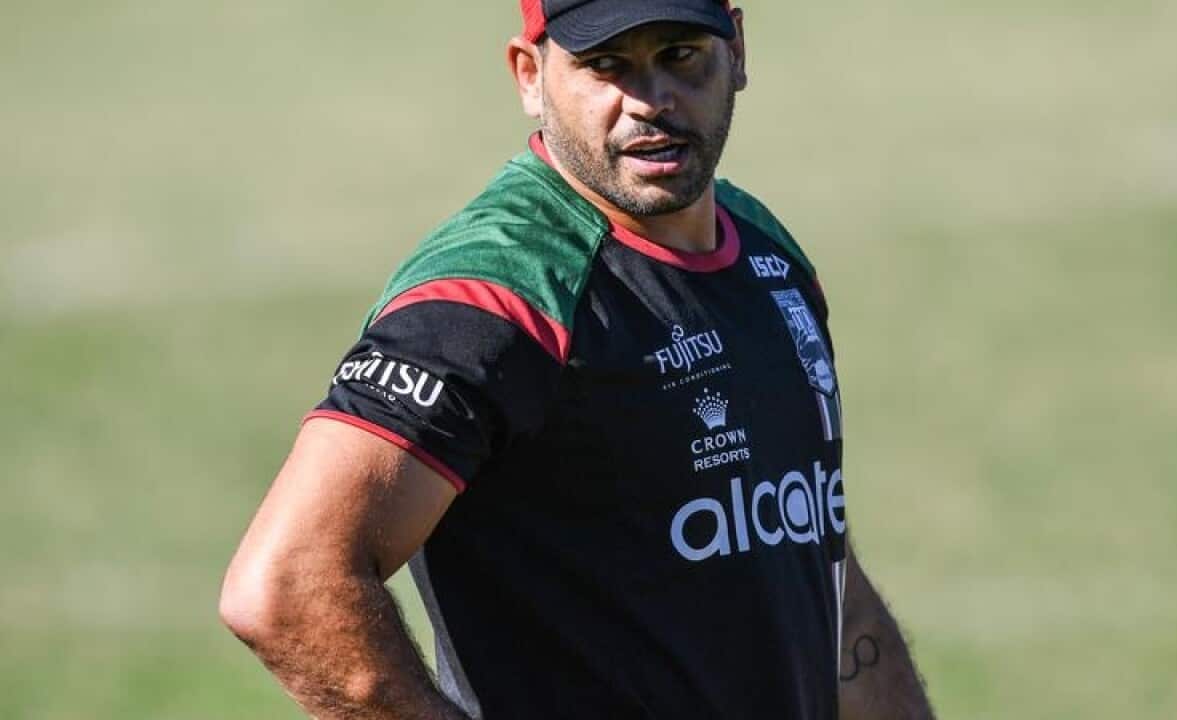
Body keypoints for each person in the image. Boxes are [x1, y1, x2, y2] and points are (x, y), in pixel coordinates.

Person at [219, 1, 935, 718]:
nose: (651, 101)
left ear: (738, 51)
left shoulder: (766, 254)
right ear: (530, 76)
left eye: (681, 55)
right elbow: (286, 587)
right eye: (605, 65)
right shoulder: (497, 293)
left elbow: (818, 576)